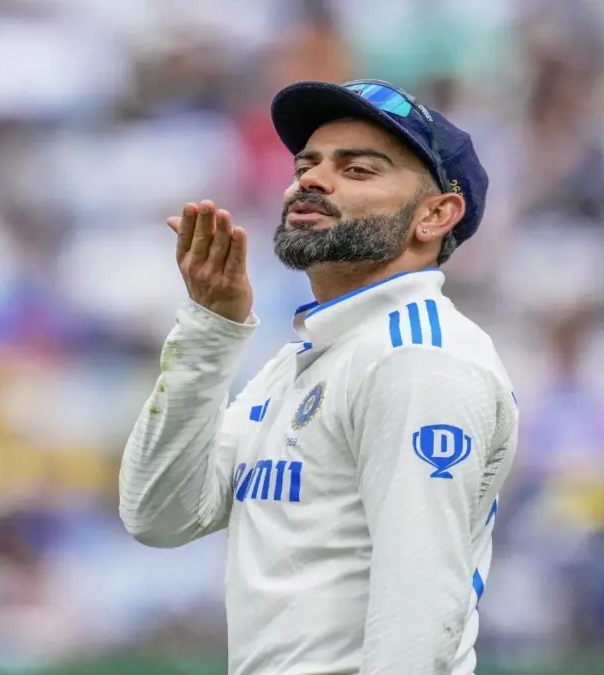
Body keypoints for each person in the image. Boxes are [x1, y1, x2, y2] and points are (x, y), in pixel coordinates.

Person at [118, 78, 520, 675]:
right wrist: (210, 330)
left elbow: (420, 604)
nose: (311, 179)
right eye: (306, 163)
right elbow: (160, 513)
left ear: (436, 215)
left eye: (357, 170)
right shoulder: (304, 358)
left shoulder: (417, 356)